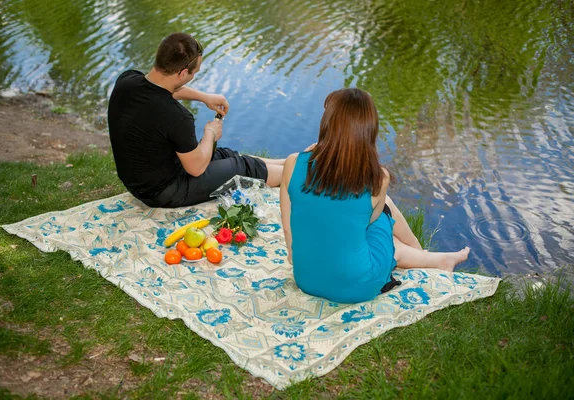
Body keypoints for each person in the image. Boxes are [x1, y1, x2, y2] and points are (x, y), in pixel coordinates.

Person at [280, 88, 470, 303]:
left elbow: (288, 228)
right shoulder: (378, 178)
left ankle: (432, 257)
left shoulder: (292, 163)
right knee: (383, 217)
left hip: (307, 280)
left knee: (341, 219)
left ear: (327, 124)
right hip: (357, 288)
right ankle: (425, 254)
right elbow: (368, 221)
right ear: (368, 130)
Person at [107, 32, 284, 208]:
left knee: (226, 156)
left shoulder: (127, 81)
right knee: (244, 170)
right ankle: (303, 176)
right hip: (164, 191)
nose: (194, 76)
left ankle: (296, 163)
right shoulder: (177, 116)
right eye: (194, 72)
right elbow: (196, 168)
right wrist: (211, 133)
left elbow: (164, 89)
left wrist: (204, 97)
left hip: (138, 182)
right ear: (183, 73)